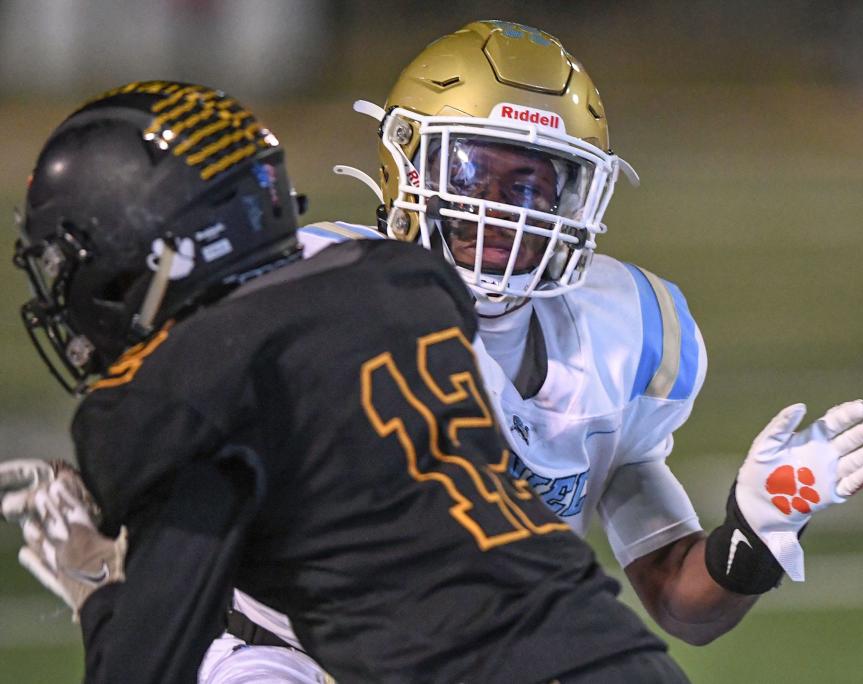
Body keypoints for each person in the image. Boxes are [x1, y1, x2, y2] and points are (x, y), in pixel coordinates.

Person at [199, 20, 863, 683]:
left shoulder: (622, 336)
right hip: (283, 655)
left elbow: (681, 603)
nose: (500, 211)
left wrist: (753, 535)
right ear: (403, 161)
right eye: (471, 175)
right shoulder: (312, 289)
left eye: (530, 185)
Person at [0, 80, 701, 683]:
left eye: (77, 261)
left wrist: (99, 588)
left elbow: (142, 671)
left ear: (158, 251)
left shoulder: (179, 394)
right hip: (618, 655)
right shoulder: (402, 286)